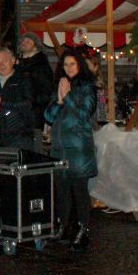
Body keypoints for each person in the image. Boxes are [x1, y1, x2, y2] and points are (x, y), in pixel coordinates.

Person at [45, 50, 97, 251]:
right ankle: (63, 227)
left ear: (79, 65)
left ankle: (82, 230)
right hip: (60, 148)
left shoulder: (87, 87)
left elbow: (84, 114)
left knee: (79, 191)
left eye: (72, 64)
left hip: (78, 148)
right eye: (65, 64)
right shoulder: (60, 84)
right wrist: (59, 101)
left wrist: (67, 97)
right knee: (62, 191)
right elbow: (48, 117)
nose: (68, 68)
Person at [0, 45, 35, 150]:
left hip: (20, 137)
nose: (1, 65)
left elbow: (29, 104)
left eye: (4, 61)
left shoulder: (24, 78)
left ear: (13, 60)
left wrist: (2, 103)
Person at [18, 33, 54, 152]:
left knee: (32, 148)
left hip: (33, 115)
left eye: (28, 41)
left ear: (36, 46)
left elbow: (46, 91)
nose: (24, 43)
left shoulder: (41, 66)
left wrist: (31, 103)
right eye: (23, 41)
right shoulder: (19, 64)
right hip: (19, 114)